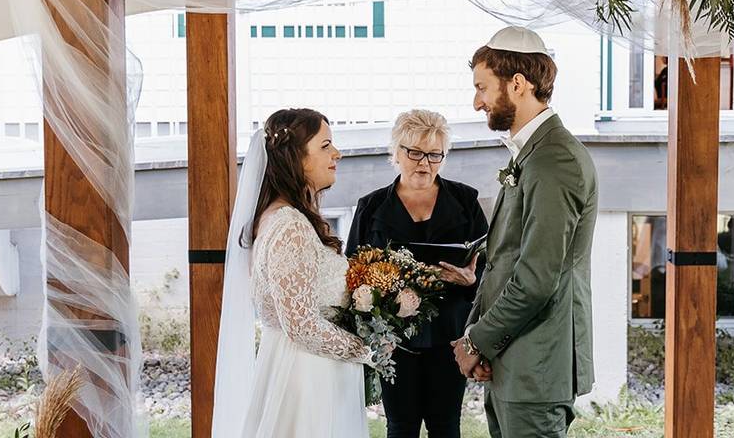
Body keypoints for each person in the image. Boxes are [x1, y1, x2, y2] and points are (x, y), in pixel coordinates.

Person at [452, 27, 599, 438]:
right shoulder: (534, 154)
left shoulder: (555, 161)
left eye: (482, 88)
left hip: (537, 364)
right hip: (514, 359)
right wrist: (476, 337)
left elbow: (536, 280)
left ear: (517, 84)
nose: (477, 101)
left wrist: (476, 341)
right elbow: (502, 259)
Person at [212, 108, 382, 438]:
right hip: (308, 379)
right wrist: (366, 348)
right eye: (325, 146)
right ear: (297, 158)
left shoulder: (280, 218)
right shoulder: (290, 226)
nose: (338, 154)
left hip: (302, 368)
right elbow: (301, 324)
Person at [346, 109, 488, 438]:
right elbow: (353, 275)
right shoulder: (371, 207)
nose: (424, 163)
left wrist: (470, 283)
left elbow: (489, 270)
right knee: (400, 427)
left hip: (450, 336)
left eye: (434, 155)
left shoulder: (465, 200)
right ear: (395, 153)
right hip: (395, 341)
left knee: (446, 427)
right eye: (415, 153)